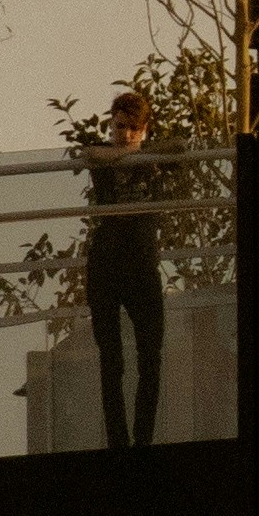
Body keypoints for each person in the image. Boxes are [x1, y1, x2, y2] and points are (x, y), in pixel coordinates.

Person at [78, 86, 177, 446]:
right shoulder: (100, 151)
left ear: (144, 129)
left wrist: (136, 153)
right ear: (112, 126)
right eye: (120, 127)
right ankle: (118, 441)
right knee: (111, 359)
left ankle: (143, 440)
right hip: (105, 261)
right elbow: (87, 152)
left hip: (142, 264)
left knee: (150, 354)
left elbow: (179, 149)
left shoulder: (151, 154)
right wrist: (125, 155)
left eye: (133, 128)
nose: (126, 134)